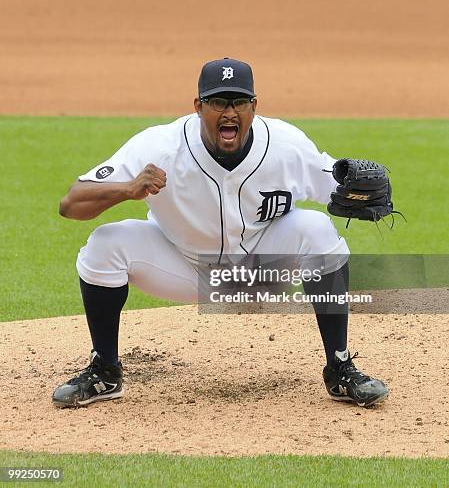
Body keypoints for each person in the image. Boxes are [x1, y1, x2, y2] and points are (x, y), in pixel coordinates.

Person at [52, 57, 389, 408]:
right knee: (106, 243)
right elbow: (71, 204)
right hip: (183, 270)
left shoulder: (285, 146)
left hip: (264, 271)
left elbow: (337, 186)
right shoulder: (159, 146)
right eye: (217, 102)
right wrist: (125, 189)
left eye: (239, 102)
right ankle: (104, 372)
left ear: (254, 107)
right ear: (198, 107)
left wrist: (359, 192)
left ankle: (339, 369)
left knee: (317, 229)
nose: (229, 113)